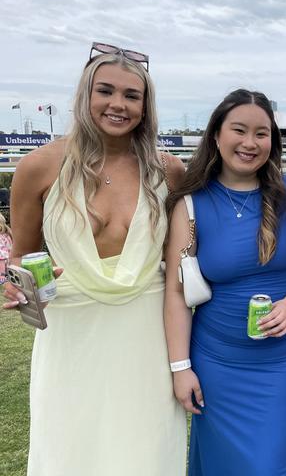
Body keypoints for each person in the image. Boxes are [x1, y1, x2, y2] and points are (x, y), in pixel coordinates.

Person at [4, 43, 187, 475]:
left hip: (146, 337)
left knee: (146, 449)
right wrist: (23, 292)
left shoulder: (169, 171)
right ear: (85, 95)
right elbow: (23, 259)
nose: (118, 104)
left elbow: (180, 263)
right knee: (71, 448)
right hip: (72, 336)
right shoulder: (38, 167)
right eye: (106, 91)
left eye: (132, 95)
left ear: (146, 106)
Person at [163, 89, 286, 475]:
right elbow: (176, 293)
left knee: (267, 465)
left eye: (262, 133)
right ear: (216, 135)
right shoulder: (191, 205)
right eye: (239, 130)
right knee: (222, 462)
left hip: (281, 362)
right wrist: (180, 368)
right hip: (216, 363)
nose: (250, 143)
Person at [0, 211, 12, 284]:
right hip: (11, 265)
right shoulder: (6, 234)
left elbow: (1, 258)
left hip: (4, 268)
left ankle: (2, 277)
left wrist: (2, 275)